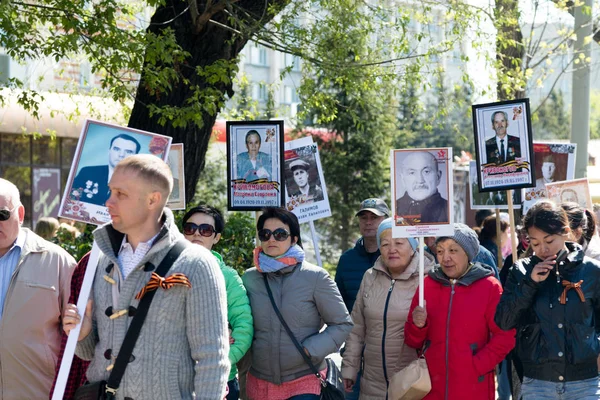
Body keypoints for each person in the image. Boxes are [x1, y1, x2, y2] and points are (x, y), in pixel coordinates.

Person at [62, 154, 230, 399]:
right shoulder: (103, 260)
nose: (108, 202)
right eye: (111, 192)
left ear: (153, 200)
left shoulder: (196, 263)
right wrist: (84, 333)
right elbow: (90, 354)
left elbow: (212, 359)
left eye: (121, 194)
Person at [242, 207, 352, 400]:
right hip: (259, 382)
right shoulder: (250, 278)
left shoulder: (315, 277)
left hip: (304, 380)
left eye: (280, 234)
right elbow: (240, 322)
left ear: (294, 239)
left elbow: (342, 323)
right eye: (265, 234)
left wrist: (311, 349)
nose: (271, 239)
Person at [495, 200, 600, 399]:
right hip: (538, 382)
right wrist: (530, 283)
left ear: (566, 231)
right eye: (535, 243)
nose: (543, 249)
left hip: (585, 382)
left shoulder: (592, 271)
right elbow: (504, 321)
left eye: (549, 241)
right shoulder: (520, 270)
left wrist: (594, 348)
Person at [405, 223, 515, 399]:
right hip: (431, 387)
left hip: (472, 387)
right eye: (440, 251)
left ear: (468, 253)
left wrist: (477, 365)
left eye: (453, 250)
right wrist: (418, 326)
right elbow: (412, 340)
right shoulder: (426, 284)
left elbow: (505, 336)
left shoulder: (490, 286)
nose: (445, 258)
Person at [341, 218, 436, 399]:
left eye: (399, 243)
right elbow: (356, 328)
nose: (392, 249)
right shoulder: (370, 277)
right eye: (384, 244)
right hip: (371, 384)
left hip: (412, 384)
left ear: (413, 246)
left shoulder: (427, 280)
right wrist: (349, 368)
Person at [0, 178, 76, 399]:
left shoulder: (57, 261)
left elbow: (79, 337)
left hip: (38, 392)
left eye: (2, 215)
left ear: (20, 214)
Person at [182, 205, 253, 400]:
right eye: (190, 228)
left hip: (219, 382)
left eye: (205, 230)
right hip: (175, 381)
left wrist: (222, 363)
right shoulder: (166, 273)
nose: (197, 233)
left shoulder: (227, 277)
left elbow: (244, 326)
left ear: (217, 237)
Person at [334, 198, 389, 399]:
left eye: (374, 218)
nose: (368, 222)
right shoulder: (347, 260)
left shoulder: (396, 257)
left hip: (389, 354)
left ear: (386, 221)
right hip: (353, 353)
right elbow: (336, 305)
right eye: (364, 217)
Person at [71, 133, 141, 206]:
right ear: (109, 151)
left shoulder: (140, 183)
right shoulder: (87, 172)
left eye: (128, 151)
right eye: (116, 149)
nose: (121, 155)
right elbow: (71, 201)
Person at [395, 151, 448, 224]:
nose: (420, 180)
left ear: (438, 176)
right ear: (403, 179)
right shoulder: (395, 209)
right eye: (412, 173)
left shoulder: (449, 209)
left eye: (426, 172)